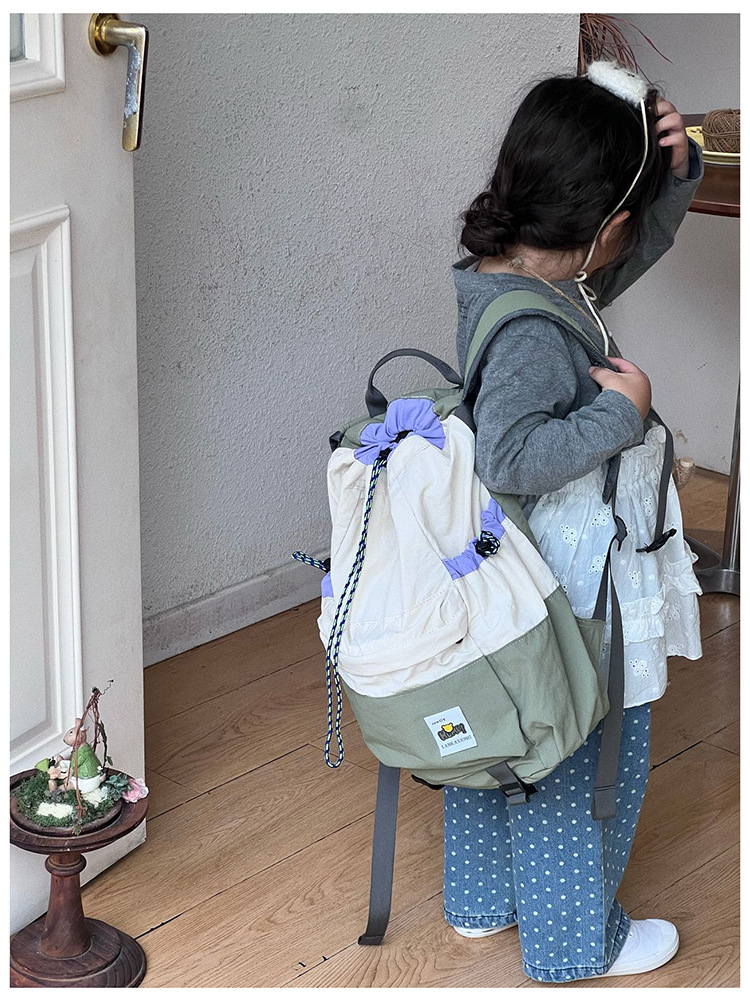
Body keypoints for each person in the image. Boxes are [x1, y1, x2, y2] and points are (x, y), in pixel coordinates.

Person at [443, 62, 704, 982]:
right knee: (580, 753)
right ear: (602, 229)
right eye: (628, 221)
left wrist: (672, 176)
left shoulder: (516, 278)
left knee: (503, 733)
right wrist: (622, 415)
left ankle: (482, 902)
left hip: (513, 578)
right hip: (573, 587)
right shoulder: (535, 331)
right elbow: (512, 455)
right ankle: (574, 945)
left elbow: (615, 260)